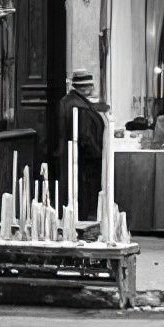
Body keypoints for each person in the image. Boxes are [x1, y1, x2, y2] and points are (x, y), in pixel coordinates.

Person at [56, 69, 105, 220]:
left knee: (71, 194)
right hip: (83, 163)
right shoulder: (80, 107)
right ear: (87, 87)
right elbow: (86, 137)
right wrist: (98, 155)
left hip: (70, 156)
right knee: (81, 196)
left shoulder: (67, 101)